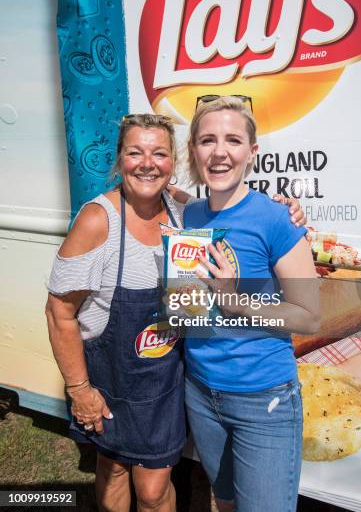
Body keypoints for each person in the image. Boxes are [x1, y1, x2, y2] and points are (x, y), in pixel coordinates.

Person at [45, 112, 306, 512]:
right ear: (119, 160)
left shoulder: (185, 211)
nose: (147, 163)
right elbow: (59, 311)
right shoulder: (98, 220)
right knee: (113, 469)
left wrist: (288, 212)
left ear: (173, 163)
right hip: (112, 377)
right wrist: (79, 390)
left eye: (159, 153)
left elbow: (246, 218)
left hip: (167, 379)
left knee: (152, 490)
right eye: (135, 152)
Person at [182, 96, 319, 512]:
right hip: (201, 392)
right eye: (207, 140)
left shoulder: (276, 219)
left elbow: (310, 316)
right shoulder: (187, 215)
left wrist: (234, 301)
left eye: (232, 140)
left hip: (264, 400)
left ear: (251, 152)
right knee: (224, 502)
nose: (219, 151)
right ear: (194, 151)